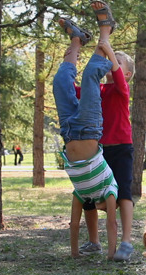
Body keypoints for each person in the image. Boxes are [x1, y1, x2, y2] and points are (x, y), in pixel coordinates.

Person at [52, 1, 120, 260]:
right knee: (92, 74)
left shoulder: (82, 194)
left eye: (97, 209)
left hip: (68, 131)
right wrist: (112, 255)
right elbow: (112, 223)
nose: (100, 210)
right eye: (101, 209)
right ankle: (106, 31)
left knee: (60, 82)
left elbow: (73, 223)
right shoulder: (110, 191)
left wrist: (74, 253)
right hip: (90, 129)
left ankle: (77, 42)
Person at [77, 0, 136, 262]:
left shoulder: (122, 90)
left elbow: (115, 72)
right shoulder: (99, 90)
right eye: (113, 59)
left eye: (119, 62)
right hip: (98, 149)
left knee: (123, 192)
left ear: (128, 73)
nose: (114, 62)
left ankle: (125, 242)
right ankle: (93, 241)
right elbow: (82, 87)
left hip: (121, 147)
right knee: (88, 193)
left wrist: (108, 47)